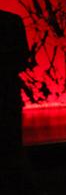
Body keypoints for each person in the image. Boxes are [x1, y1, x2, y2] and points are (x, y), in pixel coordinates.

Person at [0, 9, 30, 154]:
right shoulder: (12, 21)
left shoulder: (12, 21)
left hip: (8, 91)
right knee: (11, 148)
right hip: (8, 91)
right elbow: (22, 59)